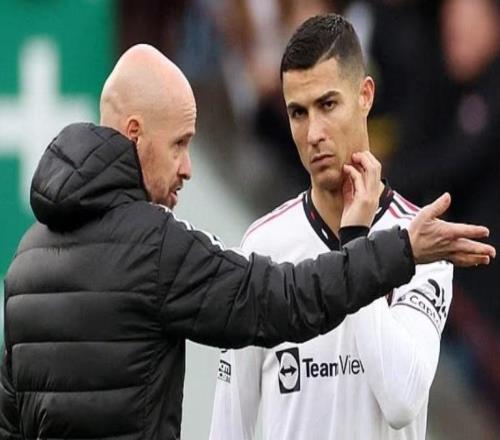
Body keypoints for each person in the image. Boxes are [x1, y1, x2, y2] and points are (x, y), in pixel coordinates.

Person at [0, 45, 494, 440]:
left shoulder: (26, 261)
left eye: (327, 105)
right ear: (135, 134)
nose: (187, 167)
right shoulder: (157, 247)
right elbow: (281, 299)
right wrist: (392, 249)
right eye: (179, 143)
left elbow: (9, 420)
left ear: (365, 97)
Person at [208, 13, 488, 440]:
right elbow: (229, 425)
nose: (313, 133)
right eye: (298, 113)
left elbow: (401, 400)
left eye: (328, 105)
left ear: (365, 95)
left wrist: (356, 243)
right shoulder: (261, 247)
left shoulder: (421, 241)